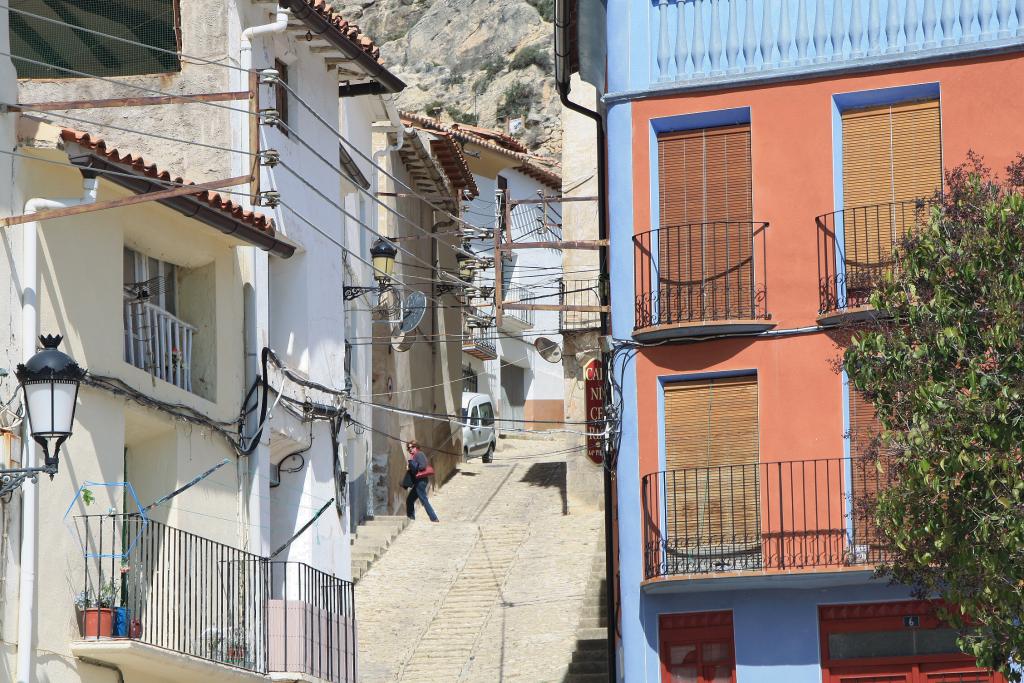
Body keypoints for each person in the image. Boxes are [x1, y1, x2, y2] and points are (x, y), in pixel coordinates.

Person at [405, 440, 439, 522]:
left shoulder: (419, 454)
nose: (410, 449)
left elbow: (423, 466)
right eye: (409, 448)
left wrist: (412, 467)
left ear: (416, 447)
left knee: (423, 499)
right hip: (418, 481)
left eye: (412, 447)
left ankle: (433, 517)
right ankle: (411, 518)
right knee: (410, 500)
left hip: (421, 481)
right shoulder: (414, 456)